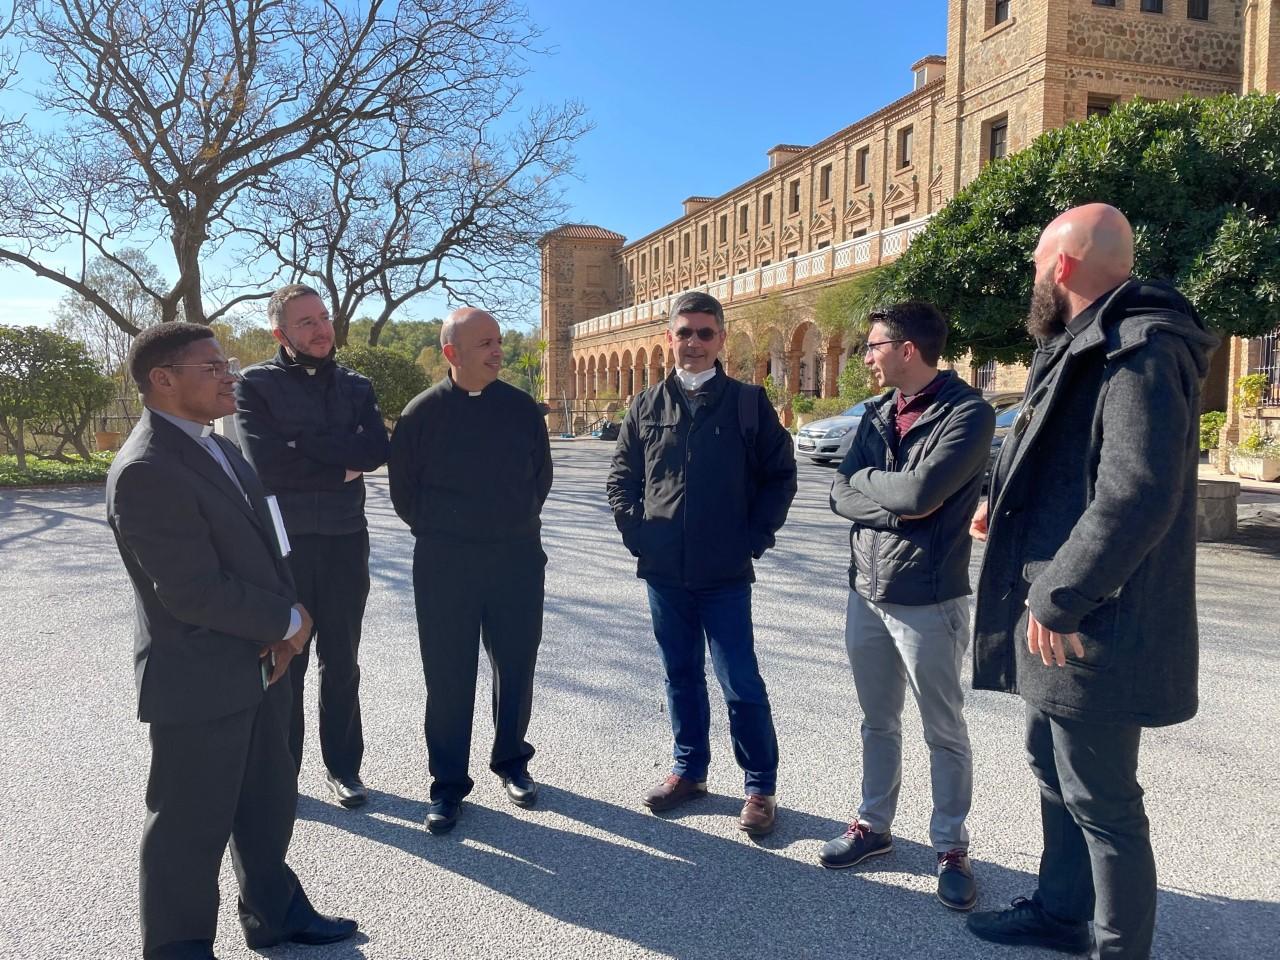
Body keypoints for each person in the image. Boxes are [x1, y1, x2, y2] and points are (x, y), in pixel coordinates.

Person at [965, 203, 1217, 958]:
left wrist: (1063, 591)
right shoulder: (1077, 342)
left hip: (1092, 618)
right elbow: (1063, 462)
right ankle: (1060, 910)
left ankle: (1117, 947)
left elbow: (1137, 490)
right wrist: (998, 505)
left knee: (1104, 800)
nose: (1033, 279)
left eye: (1039, 265)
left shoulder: (1139, 348)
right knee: (1052, 766)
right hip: (1060, 611)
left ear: (1064, 268)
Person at [107, 323, 357, 960]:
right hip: (199, 675)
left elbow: (267, 542)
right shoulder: (148, 467)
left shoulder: (220, 446)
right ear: (163, 380)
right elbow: (191, 591)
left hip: (260, 662)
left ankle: (274, 913)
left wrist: (290, 609)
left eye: (228, 362)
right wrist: (288, 623)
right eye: (212, 365)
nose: (230, 374)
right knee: (189, 824)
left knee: (266, 801)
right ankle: (178, 945)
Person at [821, 302, 995, 910]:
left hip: (928, 597)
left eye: (872, 347)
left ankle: (951, 846)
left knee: (943, 729)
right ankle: (874, 827)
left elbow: (922, 494)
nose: (866, 357)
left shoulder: (968, 414)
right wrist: (889, 498)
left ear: (907, 349)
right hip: (864, 591)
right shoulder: (874, 413)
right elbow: (838, 490)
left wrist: (883, 491)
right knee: (877, 721)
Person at [605, 291, 797, 837]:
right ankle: (689, 771)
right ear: (670, 337)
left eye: (704, 333)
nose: (693, 343)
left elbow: (780, 476)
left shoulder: (746, 403)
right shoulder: (645, 405)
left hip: (725, 573)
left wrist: (754, 538)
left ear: (721, 340)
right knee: (680, 674)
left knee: (739, 679)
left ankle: (759, 785)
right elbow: (622, 478)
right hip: (665, 571)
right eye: (684, 333)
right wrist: (639, 536)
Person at [388, 307, 552, 834]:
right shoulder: (419, 415)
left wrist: (510, 526)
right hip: (445, 565)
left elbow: (540, 480)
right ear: (452, 353)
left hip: (516, 560)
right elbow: (403, 494)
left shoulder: (523, 409)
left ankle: (512, 761)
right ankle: (448, 786)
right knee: (448, 676)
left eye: (498, 340)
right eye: (484, 342)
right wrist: (449, 533)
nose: (496, 349)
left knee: (516, 665)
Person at [235, 284, 390, 809]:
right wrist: (338, 463)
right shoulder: (254, 385)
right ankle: (285, 771)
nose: (321, 328)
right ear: (280, 333)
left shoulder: (356, 385)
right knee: (286, 658)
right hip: (285, 545)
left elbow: (375, 450)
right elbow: (268, 464)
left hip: (346, 540)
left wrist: (307, 448)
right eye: (306, 323)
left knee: (342, 660)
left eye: (323, 317)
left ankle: (344, 768)